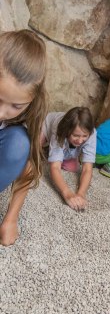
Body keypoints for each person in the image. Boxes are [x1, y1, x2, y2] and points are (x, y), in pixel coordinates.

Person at [0, 30, 48, 246]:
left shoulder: (33, 113)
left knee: (20, 144)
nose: (1, 113)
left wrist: (11, 220)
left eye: (16, 106)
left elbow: (29, 166)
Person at [41, 107, 96, 211]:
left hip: (68, 144)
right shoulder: (59, 129)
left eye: (85, 136)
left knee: (71, 167)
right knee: (33, 151)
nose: (80, 140)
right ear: (67, 131)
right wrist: (67, 194)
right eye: (76, 135)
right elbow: (55, 167)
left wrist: (81, 194)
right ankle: (49, 148)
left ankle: (53, 151)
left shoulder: (92, 134)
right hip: (47, 125)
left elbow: (87, 169)